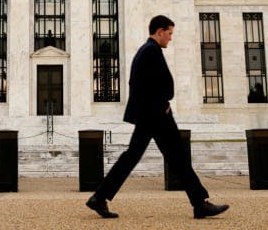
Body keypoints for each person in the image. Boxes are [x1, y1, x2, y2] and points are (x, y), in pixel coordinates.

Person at [86, 15, 229, 219]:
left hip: (151, 115)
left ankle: (99, 198)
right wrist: (162, 106)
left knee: (142, 157)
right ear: (160, 31)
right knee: (175, 157)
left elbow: (144, 84)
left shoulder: (148, 51)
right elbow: (148, 85)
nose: (171, 38)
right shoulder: (151, 51)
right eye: (169, 33)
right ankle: (200, 204)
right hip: (156, 116)